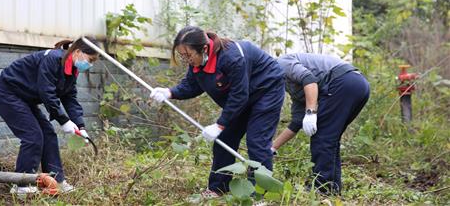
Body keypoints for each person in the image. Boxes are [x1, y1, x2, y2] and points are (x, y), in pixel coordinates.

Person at [149, 26, 285, 198]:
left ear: (204, 48)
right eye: (182, 56)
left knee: (257, 141)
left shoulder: (231, 57)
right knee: (224, 139)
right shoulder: (198, 61)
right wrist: (169, 92)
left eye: (188, 55)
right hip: (243, 93)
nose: (186, 60)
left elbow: (239, 95)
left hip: (267, 88)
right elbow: (192, 85)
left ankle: (258, 194)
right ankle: (218, 188)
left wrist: (220, 124)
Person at [0, 37, 99, 196]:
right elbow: (47, 93)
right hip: (8, 94)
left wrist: (80, 126)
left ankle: (56, 181)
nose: (90, 65)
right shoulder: (53, 60)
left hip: (25, 98)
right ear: (77, 52)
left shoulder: (71, 69)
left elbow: (70, 98)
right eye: (90, 60)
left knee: (47, 133)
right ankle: (22, 184)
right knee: (33, 136)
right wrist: (64, 121)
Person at [272, 53, 370, 194]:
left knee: (323, 136)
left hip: (344, 82)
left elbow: (309, 79)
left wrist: (311, 112)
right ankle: (331, 187)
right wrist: (272, 148)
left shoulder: (281, 63)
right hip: (358, 85)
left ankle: (322, 186)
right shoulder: (295, 89)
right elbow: (296, 122)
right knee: (330, 138)